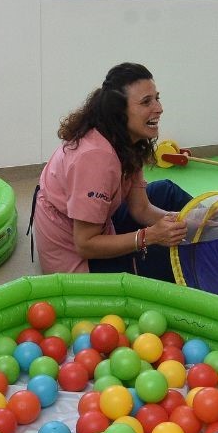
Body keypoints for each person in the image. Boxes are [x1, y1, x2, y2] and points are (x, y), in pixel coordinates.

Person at [32, 62, 194, 281]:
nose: (158, 108)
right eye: (146, 102)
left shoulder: (129, 140)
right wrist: (150, 236)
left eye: (157, 98)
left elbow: (140, 208)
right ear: (119, 113)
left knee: (168, 191)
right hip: (79, 261)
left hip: (100, 223)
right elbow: (85, 245)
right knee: (171, 257)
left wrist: (186, 221)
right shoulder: (96, 159)